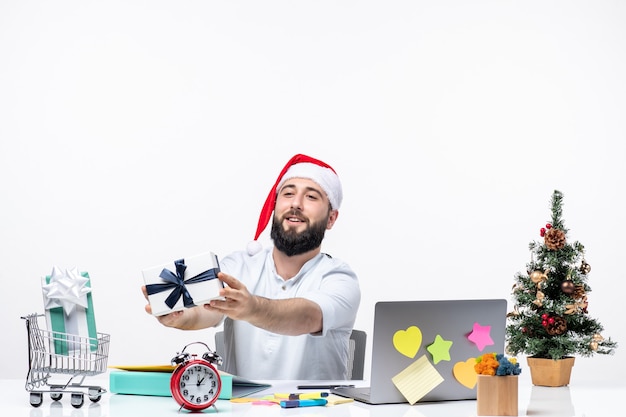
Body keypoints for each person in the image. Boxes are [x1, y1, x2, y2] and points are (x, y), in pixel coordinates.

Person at [142, 154, 361, 380]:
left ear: (331, 218)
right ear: (275, 207)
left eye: (311, 197)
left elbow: (307, 317)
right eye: (288, 193)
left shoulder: (340, 278)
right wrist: (177, 316)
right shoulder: (237, 266)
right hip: (243, 409)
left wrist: (252, 307)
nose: (296, 203)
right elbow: (201, 313)